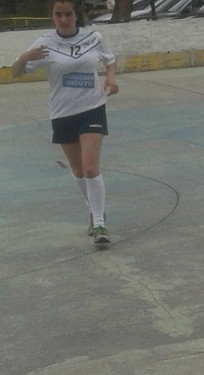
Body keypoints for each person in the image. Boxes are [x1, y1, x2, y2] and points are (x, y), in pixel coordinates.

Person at [11, 0, 118, 245]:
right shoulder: (45, 44)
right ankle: (94, 211)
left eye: (67, 14)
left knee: (90, 168)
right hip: (62, 113)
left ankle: (100, 224)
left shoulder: (93, 38)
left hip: (92, 108)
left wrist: (111, 79)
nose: (63, 19)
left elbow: (109, 60)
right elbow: (16, 72)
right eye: (58, 15)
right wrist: (26, 56)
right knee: (79, 171)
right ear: (52, 16)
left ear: (75, 14)